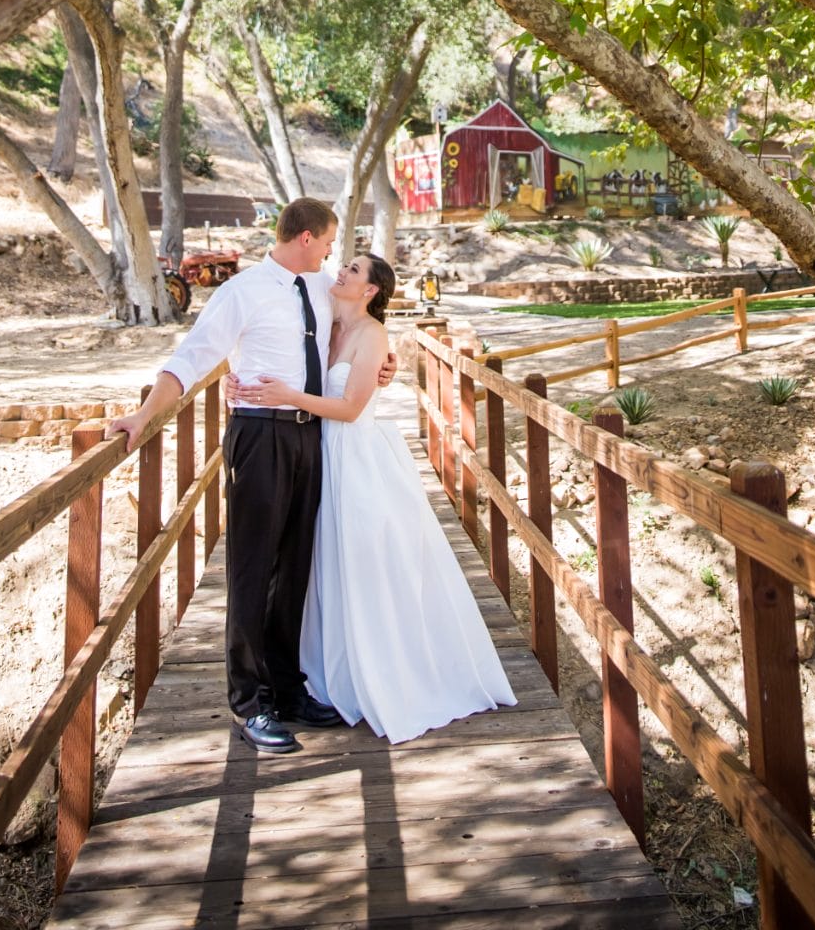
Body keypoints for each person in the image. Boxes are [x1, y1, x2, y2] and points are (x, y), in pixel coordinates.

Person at [105, 197, 394, 756]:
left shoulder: (318, 286)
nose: (334, 256)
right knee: (252, 566)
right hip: (259, 435)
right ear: (306, 238)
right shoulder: (241, 292)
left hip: (312, 434)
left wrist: (388, 362)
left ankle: (288, 689)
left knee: (294, 565)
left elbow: (357, 331)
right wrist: (145, 415)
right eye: (329, 243)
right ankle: (249, 701)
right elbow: (191, 357)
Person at [234, 251, 517, 745]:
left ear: (370, 290)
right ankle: (307, 672)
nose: (340, 271)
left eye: (353, 270)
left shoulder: (373, 334)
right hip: (313, 453)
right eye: (342, 264)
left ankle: (379, 671)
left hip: (355, 454)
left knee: (364, 559)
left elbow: (349, 407)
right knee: (317, 561)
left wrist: (287, 396)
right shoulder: (323, 310)